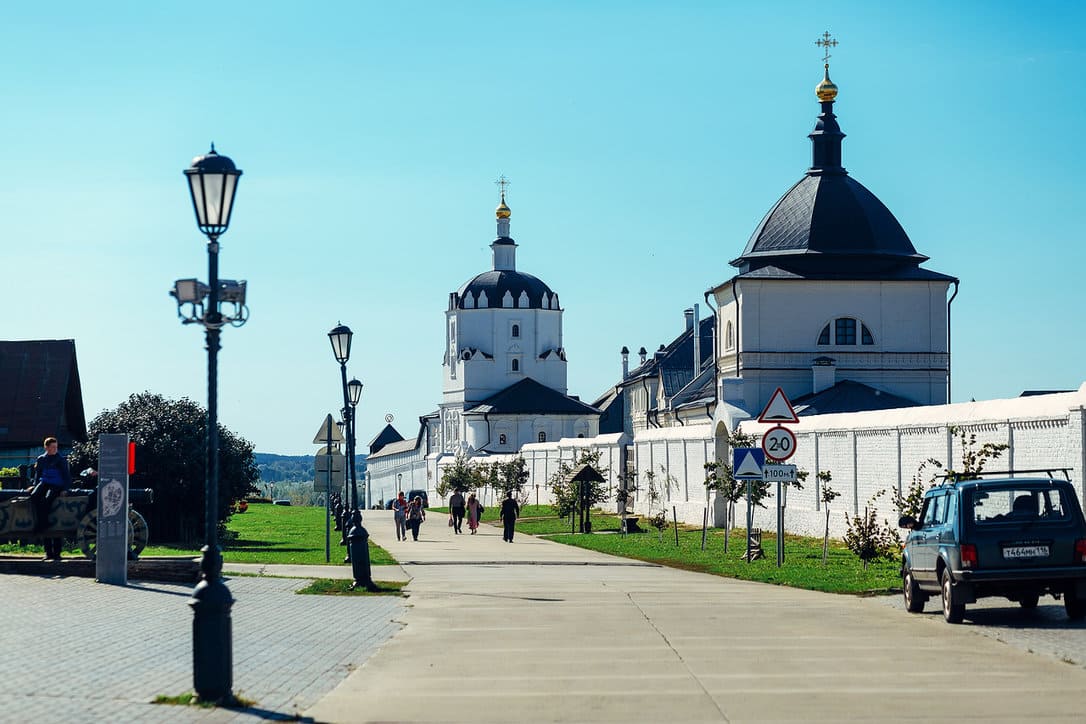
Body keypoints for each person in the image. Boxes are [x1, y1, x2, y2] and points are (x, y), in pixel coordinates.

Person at [28, 436, 72, 561]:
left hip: (56, 484)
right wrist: (34, 486)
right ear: (46, 447)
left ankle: (43, 525)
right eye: (52, 447)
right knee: (34, 496)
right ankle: (42, 522)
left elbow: (67, 477)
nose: (55, 449)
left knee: (47, 500)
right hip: (44, 482)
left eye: (56, 447)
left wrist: (65, 489)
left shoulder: (61, 460)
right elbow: (38, 475)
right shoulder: (41, 459)